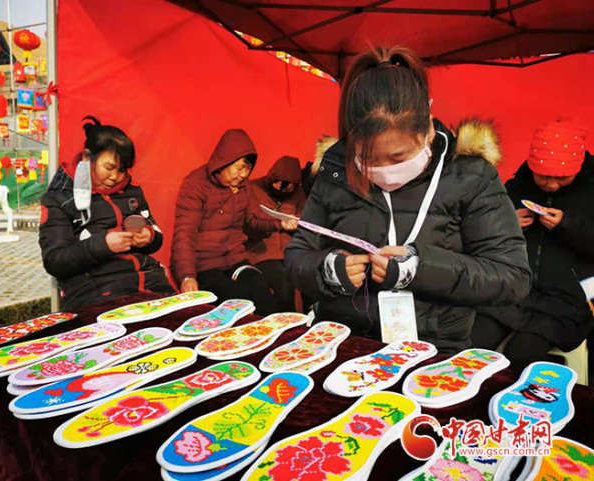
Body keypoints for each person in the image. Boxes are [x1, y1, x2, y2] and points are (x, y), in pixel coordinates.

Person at [284, 46, 532, 354]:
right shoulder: (335, 170)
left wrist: (421, 267)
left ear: (427, 126)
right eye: (368, 157)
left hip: (433, 353)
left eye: (398, 156)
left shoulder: (470, 174)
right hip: (345, 347)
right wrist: (328, 271)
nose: (385, 169)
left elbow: (512, 277)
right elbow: (297, 255)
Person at [472, 119, 594, 370]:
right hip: (512, 291)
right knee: (475, 343)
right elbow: (480, 233)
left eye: (562, 178)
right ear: (531, 165)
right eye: (543, 176)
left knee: (522, 354)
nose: (551, 184)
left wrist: (568, 226)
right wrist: (507, 222)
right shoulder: (517, 185)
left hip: (567, 301)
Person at [39, 116, 172, 309]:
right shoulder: (59, 199)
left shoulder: (131, 191)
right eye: (109, 168)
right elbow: (55, 261)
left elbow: (156, 235)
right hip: (97, 293)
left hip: (150, 284)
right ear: (87, 157)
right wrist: (103, 245)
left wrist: (149, 236)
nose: (115, 177)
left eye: (122, 170)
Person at [170, 129, 284, 315]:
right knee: (238, 302)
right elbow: (184, 234)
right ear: (224, 162)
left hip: (235, 260)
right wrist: (187, 276)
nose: (244, 174)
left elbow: (253, 220)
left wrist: (278, 224)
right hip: (204, 265)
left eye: (248, 169)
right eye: (239, 168)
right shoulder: (195, 185)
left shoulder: (243, 187)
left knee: (263, 295)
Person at [245, 155, 306, 311]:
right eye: (282, 185)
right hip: (261, 250)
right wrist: (276, 224)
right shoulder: (253, 188)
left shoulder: (298, 194)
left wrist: (297, 223)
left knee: (305, 274)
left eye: (291, 187)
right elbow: (248, 222)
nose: (286, 190)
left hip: (290, 249)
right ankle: (287, 322)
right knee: (283, 279)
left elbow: (307, 221)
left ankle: (304, 317)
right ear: (272, 178)